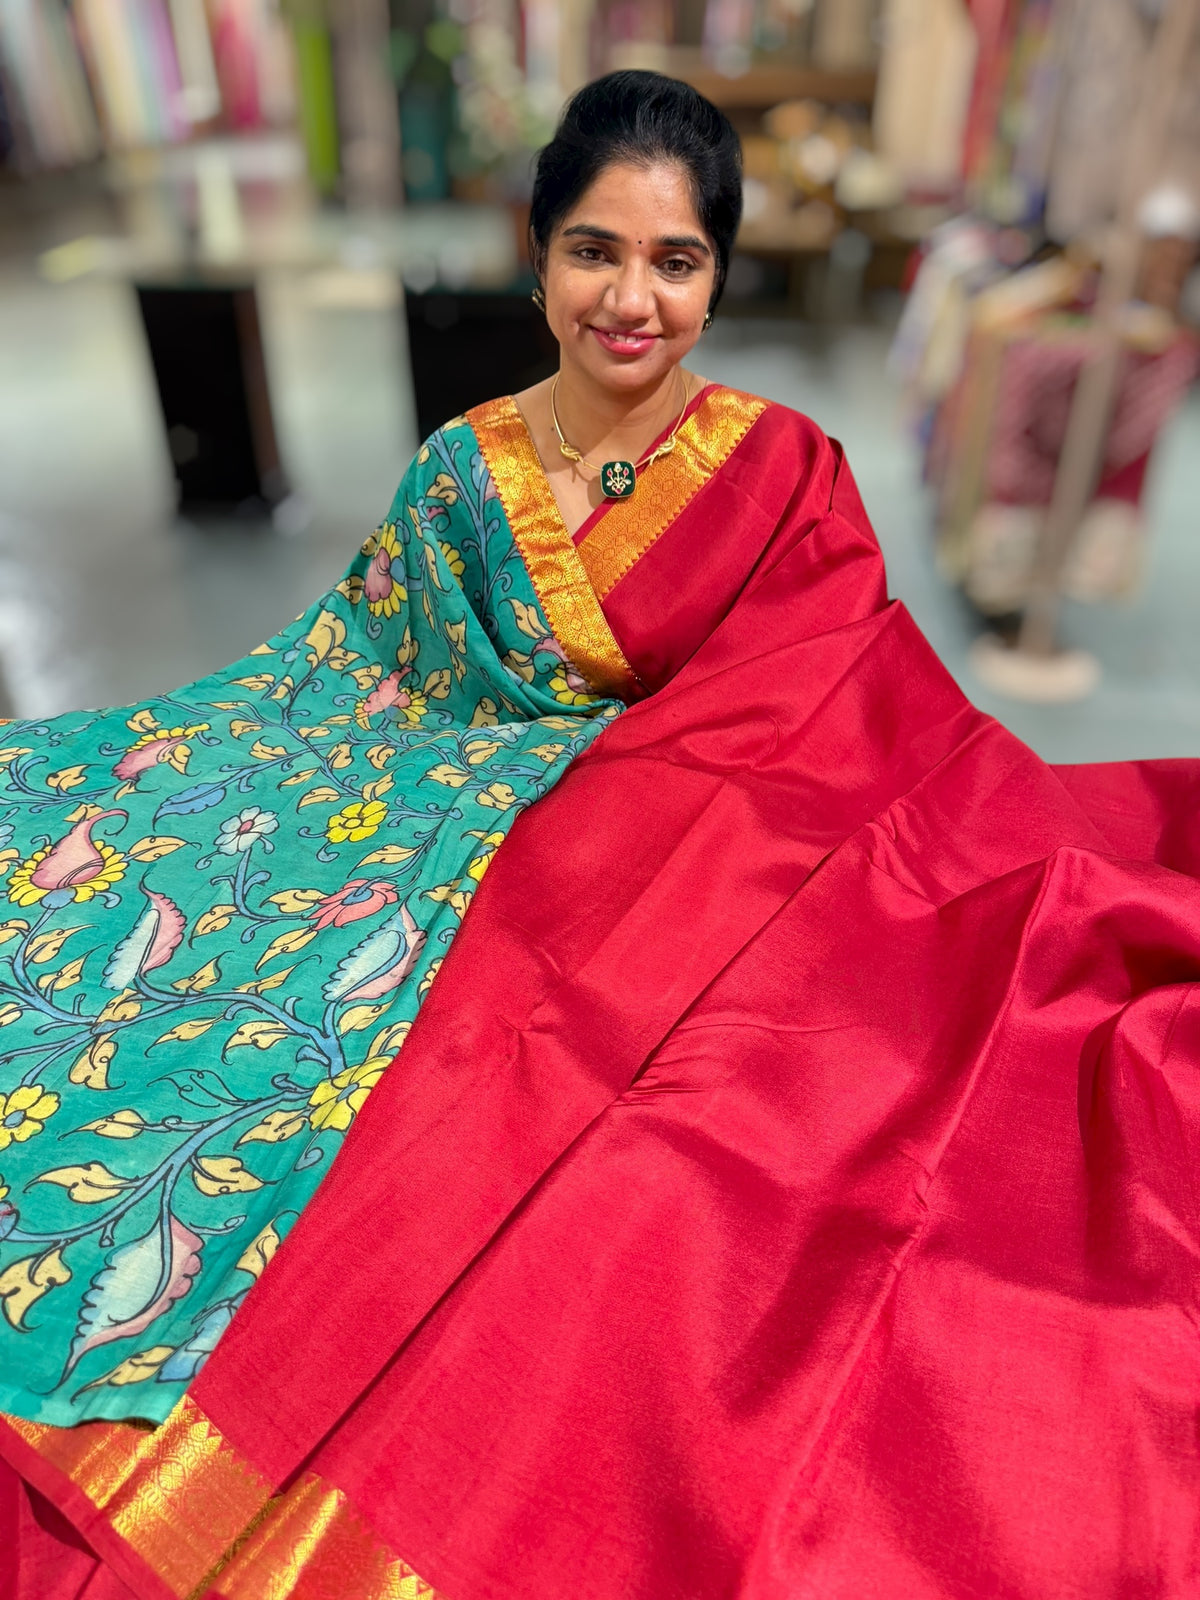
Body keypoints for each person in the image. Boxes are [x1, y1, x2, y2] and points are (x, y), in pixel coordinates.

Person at [2, 69, 1199, 1600]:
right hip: (432, 808)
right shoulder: (462, 467)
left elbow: (833, 700)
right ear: (540, 250)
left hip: (698, 850)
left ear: (716, 273)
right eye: (595, 250)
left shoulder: (780, 472)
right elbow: (358, 675)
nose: (631, 299)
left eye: (675, 260)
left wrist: (633, 798)